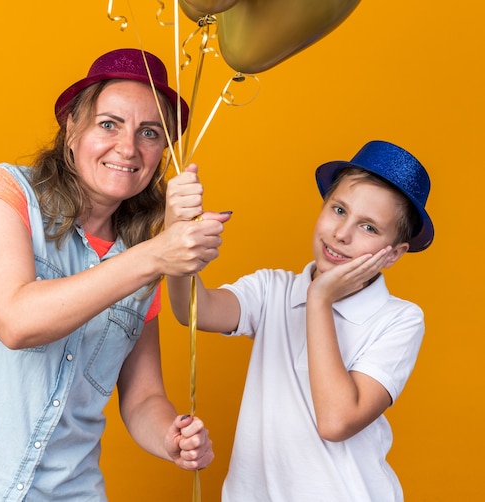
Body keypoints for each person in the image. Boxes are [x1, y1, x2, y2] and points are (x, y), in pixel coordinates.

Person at [0, 48, 228, 501]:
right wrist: (157, 256)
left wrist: (172, 437)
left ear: (162, 153)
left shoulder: (140, 258)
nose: (128, 147)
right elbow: (16, 321)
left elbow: (143, 399)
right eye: (109, 124)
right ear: (72, 132)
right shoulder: (4, 194)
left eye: (150, 133)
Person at [166, 140, 434, 502]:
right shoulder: (272, 289)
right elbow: (193, 310)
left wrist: (319, 299)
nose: (342, 233)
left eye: (369, 228)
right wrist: (173, 239)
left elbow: (336, 421)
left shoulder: (399, 319)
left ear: (394, 253)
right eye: (338, 209)